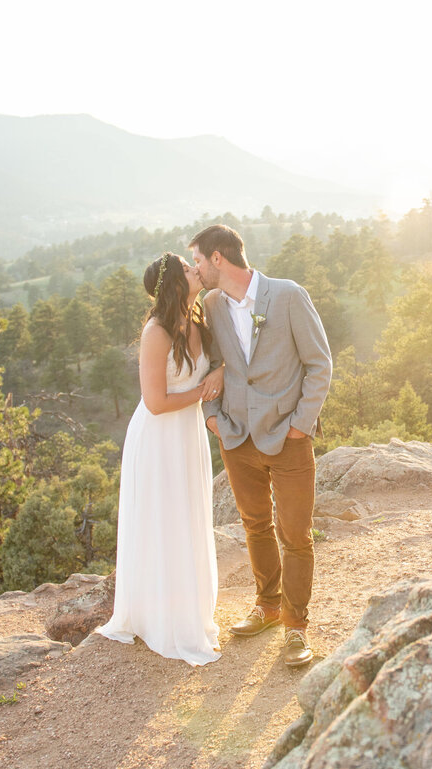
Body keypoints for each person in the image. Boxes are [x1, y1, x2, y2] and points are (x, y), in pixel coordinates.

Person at [189, 224, 332, 668]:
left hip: (287, 438)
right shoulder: (210, 305)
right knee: (255, 526)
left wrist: (300, 426)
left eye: (197, 260)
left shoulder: (287, 295)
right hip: (235, 437)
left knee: (296, 535)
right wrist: (212, 418)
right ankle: (268, 607)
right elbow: (208, 363)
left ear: (217, 258)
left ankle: (295, 627)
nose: (195, 269)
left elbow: (319, 365)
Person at [95, 252, 225, 666]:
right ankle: (163, 619)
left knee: (187, 518)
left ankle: (189, 611)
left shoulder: (198, 318)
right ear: (173, 283)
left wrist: (217, 372)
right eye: (188, 268)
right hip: (158, 439)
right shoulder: (156, 332)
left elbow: (214, 363)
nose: (196, 269)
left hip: (187, 436)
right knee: (165, 521)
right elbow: (154, 402)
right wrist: (204, 390)